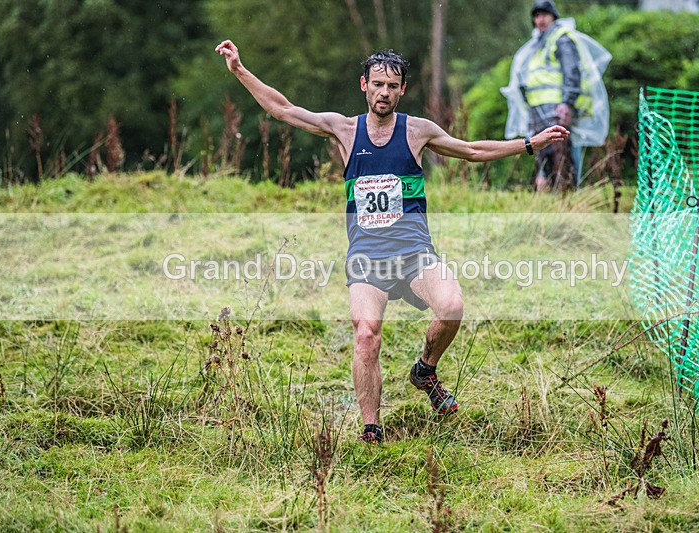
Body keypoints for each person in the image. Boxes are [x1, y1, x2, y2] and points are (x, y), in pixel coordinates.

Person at [215, 40, 569, 444]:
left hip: (415, 254)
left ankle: (425, 369)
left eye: (393, 86)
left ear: (402, 90)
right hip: (367, 258)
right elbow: (283, 109)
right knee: (366, 334)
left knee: (452, 306)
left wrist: (529, 144)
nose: (384, 92)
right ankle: (372, 429)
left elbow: (471, 150)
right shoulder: (344, 129)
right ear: (363, 85)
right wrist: (240, 69)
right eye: (378, 84)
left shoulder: (417, 131)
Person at [501, 0, 611, 191]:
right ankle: (552, 199)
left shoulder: (562, 39)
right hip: (538, 111)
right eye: (536, 16)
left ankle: (569, 197)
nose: (540, 19)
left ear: (553, 16)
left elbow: (572, 73)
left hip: (557, 109)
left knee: (563, 155)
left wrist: (567, 103)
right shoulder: (537, 45)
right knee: (544, 155)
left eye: (544, 15)